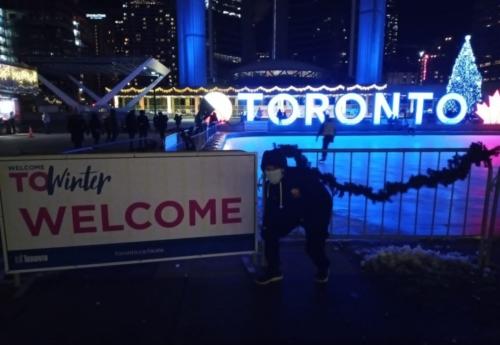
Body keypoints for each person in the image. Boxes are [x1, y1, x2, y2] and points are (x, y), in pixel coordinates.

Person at [256, 148, 332, 285]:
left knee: (313, 246)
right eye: (267, 169)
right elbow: (272, 211)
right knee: (270, 233)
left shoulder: (301, 178)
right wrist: (267, 226)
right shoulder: (270, 185)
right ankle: (274, 271)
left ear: (282, 167)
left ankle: (323, 267)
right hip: (292, 211)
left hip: (314, 210)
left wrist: (302, 196)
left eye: (273, 168)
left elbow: (322, 199)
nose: (270, 172)